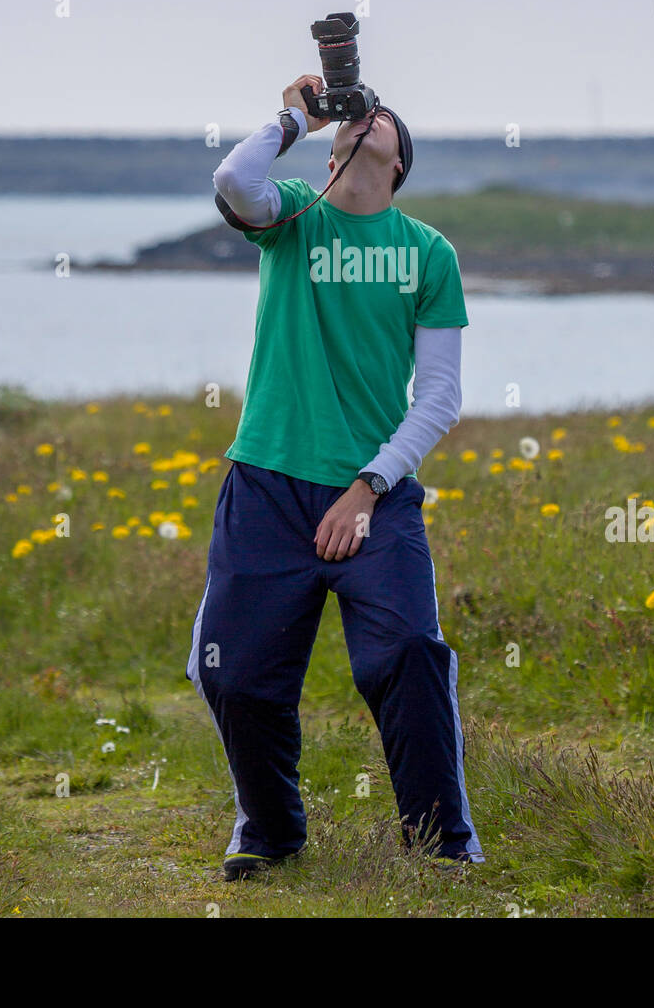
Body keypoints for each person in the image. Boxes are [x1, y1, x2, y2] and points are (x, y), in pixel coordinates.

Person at [186, 74, 483, 880]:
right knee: (235, 674)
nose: (367, 117)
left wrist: (370, 485)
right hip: (268, 485)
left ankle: (441, 845)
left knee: (411, 655)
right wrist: (299, 117)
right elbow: (231, 182)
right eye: (358, 114)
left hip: (376, 498)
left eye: (381, 116)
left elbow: (441, 396)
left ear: (398, 163)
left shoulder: (427, 253)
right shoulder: (293, 214)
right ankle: (272, 830)